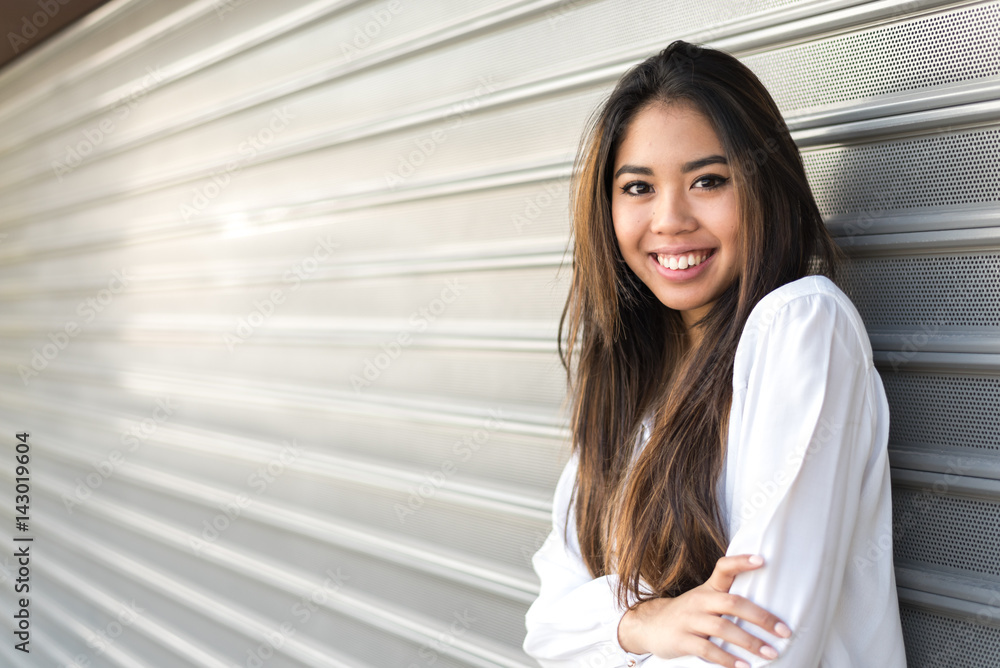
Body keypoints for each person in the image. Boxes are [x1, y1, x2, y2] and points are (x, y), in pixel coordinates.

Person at [521, 40, 907, 668]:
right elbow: (545, 626)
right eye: (638, 187)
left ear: (763, 183)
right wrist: (646, 623)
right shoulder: (628, 377)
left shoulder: (802, 325)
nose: (670, 219)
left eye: (707, 180)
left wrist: (612, 629)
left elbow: (761, 647)